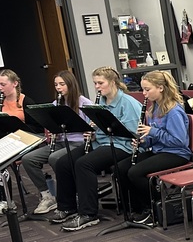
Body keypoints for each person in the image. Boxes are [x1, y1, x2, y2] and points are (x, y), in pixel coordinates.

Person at [51, 67, 142, 231]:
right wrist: (92, 133)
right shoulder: (101, 101)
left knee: (84, 164)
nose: (97, 87)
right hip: (101, 143)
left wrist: (106, 130)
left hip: (123, 146)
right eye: (95, 83)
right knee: (63, 162)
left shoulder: (128, 103)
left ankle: (88, 214)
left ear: (113, 82)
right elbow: (100, 128)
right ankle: (67, 207)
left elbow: (132, 134)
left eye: (101, 83)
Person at [115, 70, 191, 225]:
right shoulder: (154, 108)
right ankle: (137, 208)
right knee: (121, 167)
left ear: (161, 88)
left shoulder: (174, 111)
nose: (144, 93)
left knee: (135, 173)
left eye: (147, 89)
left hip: (177, 154)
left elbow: (179, 141)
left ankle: (157, 208)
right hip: (160, 150)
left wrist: (153, 131)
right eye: (143, 89)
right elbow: (155, 138)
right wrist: (144, 141)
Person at [20, 71, 92, 215]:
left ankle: (69, 194)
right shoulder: (55, 104)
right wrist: (52, 129)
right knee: (28, 159)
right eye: (56, 85)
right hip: (60, 142)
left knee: (55, 158)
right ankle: (47, 195)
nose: (58, 88)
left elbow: (92, 126)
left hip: (78, 143)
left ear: (70, 84)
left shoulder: (84, 102)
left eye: (62, 84)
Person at [0, 69, 28, 215]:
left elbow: (35, 127)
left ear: (14, 84)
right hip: (6, 140)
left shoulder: (25, 101)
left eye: (2, 84)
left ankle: (7, 200)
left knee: (1, 160)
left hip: (24, 140)